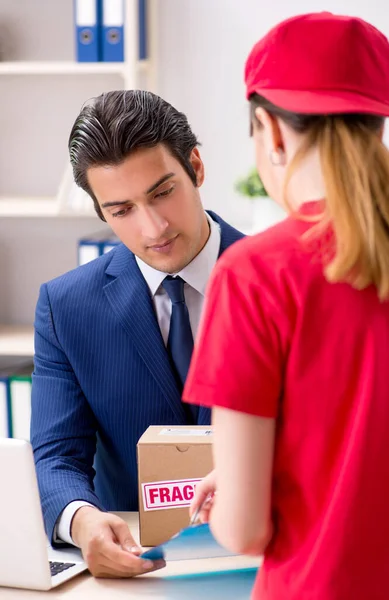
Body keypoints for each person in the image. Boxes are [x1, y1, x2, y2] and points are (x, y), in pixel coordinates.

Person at [185, 12, 389, 600]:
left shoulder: (254, 273)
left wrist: (238, 491)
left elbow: (246, 531)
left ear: (270, 132)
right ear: (377, 131)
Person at [30, 89, 244, 578]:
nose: (154, 229)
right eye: (122, 210)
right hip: (139, 568)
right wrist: (82, 522)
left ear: (196, 167)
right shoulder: (66, 307)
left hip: (271, 554)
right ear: (101, 213)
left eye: (163, 192)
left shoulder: (291, 282)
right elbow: (55, 456)